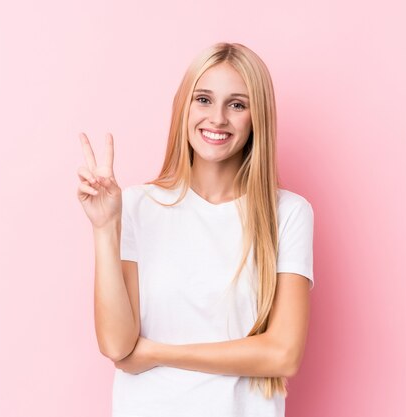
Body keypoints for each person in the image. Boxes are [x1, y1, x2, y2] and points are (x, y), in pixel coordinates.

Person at [77, 42, 314, 417]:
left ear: (258, 118)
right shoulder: (138, 205)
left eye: (237, 104)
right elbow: (117, 344)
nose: (217, 118)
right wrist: (105, 227)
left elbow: (283, 354)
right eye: (203, 99)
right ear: (184, 107)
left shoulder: (288, 213)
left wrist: (157, 352)